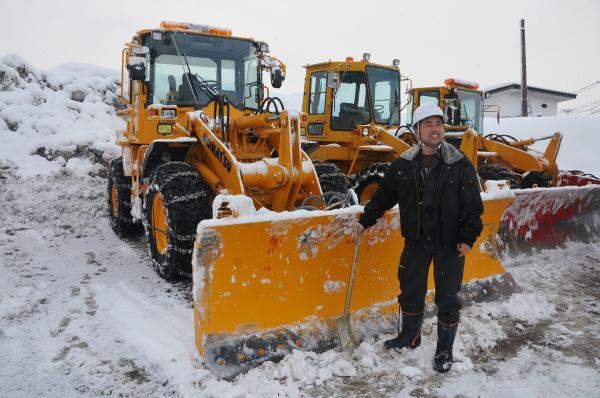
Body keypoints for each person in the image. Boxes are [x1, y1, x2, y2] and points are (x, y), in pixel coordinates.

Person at [355, 102, 484, 373]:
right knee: (410, 291)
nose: (435, 129)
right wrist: (366, 221)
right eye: (428, 124)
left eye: (438, 124)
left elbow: (473, 206)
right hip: (415, 241)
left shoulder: (459, 164)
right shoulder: (403, 164)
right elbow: (383, 197)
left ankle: (444, 349)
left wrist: (467, 237)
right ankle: (410, 336)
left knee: (448, 298)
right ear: (416, 130)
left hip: (450, 244)